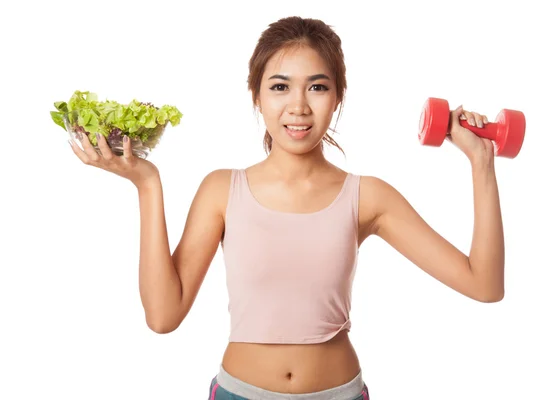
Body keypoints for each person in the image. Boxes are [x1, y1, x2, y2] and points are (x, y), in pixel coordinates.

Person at [68, 16, 505, 400]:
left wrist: (481, 162)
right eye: (280, 87)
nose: (298, 106)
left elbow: (484, 284)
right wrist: (148, 184)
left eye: (317, 86)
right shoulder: (222, 190)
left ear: (337, 98)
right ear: (257, 96)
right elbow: (163, 317)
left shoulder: (368, 196)